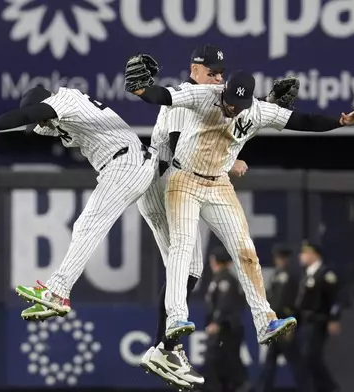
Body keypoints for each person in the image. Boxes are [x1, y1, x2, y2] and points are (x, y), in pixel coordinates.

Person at [124, 54, 354, 349]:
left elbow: (301, 119)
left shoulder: (257, 110)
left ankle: (265, 321)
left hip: (218, 184)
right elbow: (165, 95)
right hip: (184, 179)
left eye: (237, 107)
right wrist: (141, 90)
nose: (230, 109)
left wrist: (339, 122)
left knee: (246, 251)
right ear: (224, 89)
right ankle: (176, 317)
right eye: (228, 102)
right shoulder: (205, 95)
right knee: (182, 246)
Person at [0, 85, 157, 320]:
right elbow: (25, 125)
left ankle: (58, 292)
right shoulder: (56, 118)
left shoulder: (66, 100)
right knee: (174, 242)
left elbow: (27, 115)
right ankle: (171, 326)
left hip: (126, 164)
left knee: (86, 226)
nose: (42, 125)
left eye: (41, 118)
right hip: (135, 163)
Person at [139, 44, 248, 389]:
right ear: (194, 69)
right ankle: (164, 346)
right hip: (162, 181)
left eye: (220, 73)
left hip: (166, 180)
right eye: (211, 72)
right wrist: (229, 161)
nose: (217, 78)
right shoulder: (187, 96)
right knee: (187, 268)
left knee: (188, 268)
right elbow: (178, 145)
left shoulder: (207, 100)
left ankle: (165, 346)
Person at [295, 241, 341, 392]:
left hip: (318, 320)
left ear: (313, 254)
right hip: (305, 321)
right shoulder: (307, 275)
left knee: (311, 356)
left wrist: (334, 319)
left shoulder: (325, 274)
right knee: (306, 358)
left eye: (304, 253)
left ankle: (330, 387)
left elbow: (335, 298)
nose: (300, 256)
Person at [203, 246, 248, 392]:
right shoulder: (219, 279)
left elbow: (224, 305)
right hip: (225, 328)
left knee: (220, 361)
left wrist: (216, 322)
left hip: (226, 328)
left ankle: (240, 386)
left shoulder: (226, 280)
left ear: (215, 262)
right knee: (224, 362)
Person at [258, 244, 303, 392]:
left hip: (284, 324)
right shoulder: (276, 274)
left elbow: (293, 302)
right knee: (270, 363)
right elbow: (271, 298)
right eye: (277, 257)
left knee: (295, 361)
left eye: (281, 257)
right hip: (274, 325)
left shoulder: (292, 275)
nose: (278, 260)